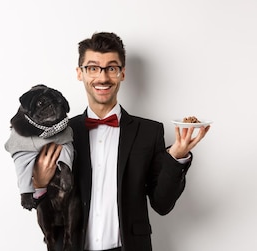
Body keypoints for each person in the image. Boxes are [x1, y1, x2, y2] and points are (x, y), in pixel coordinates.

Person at [32, 32, 210, 251]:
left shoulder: (149, 132)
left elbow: (162, 204)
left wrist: (176, 156)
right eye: (93, 68)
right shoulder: (60, 134)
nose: (103, 77)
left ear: (122, 73)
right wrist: (40, 185)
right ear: (80, 73)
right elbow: (51, 217)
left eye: (112, 68)